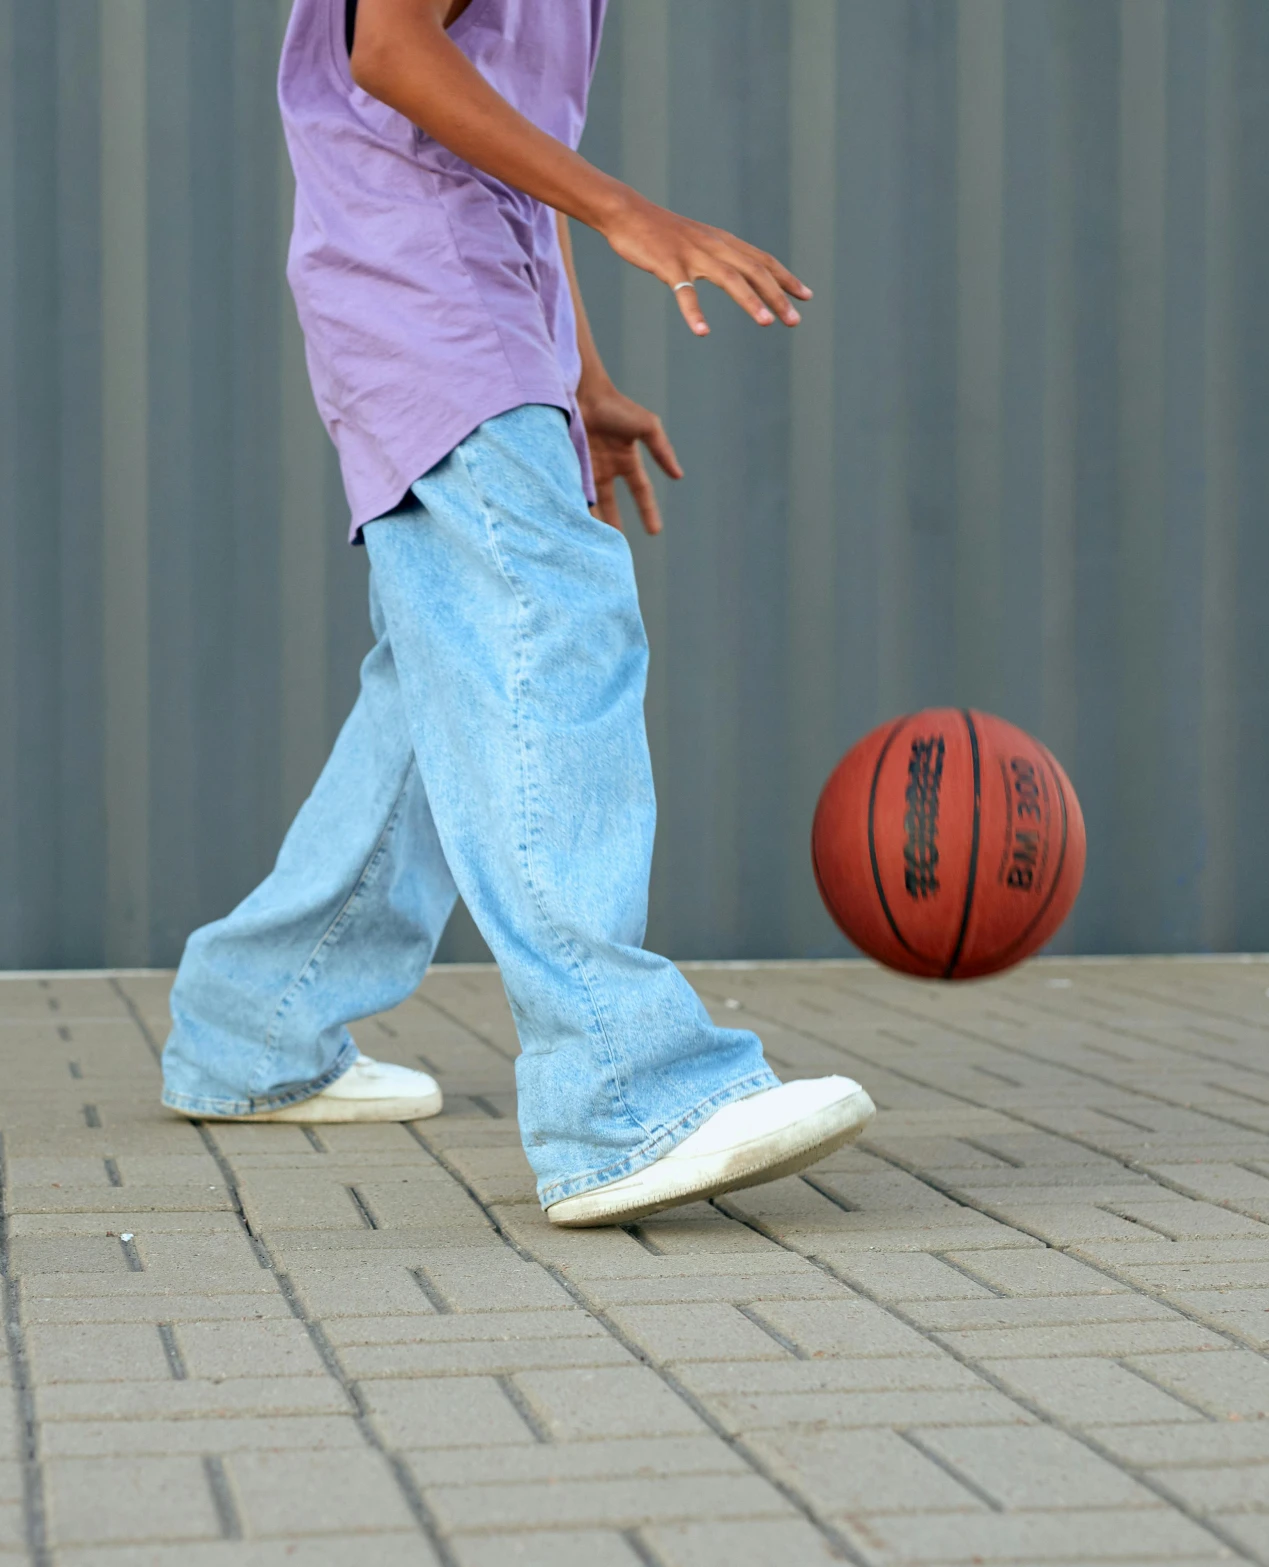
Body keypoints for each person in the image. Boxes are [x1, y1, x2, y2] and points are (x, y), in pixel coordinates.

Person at [157, 0, 875, 1228]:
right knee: (551, 629)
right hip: (420, 299)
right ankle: (621, 1092)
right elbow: (387, 44)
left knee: (442, 676)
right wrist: (626, 208)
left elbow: (497, 138)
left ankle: (253, 1021)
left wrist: (580, 376)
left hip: (487, 313)